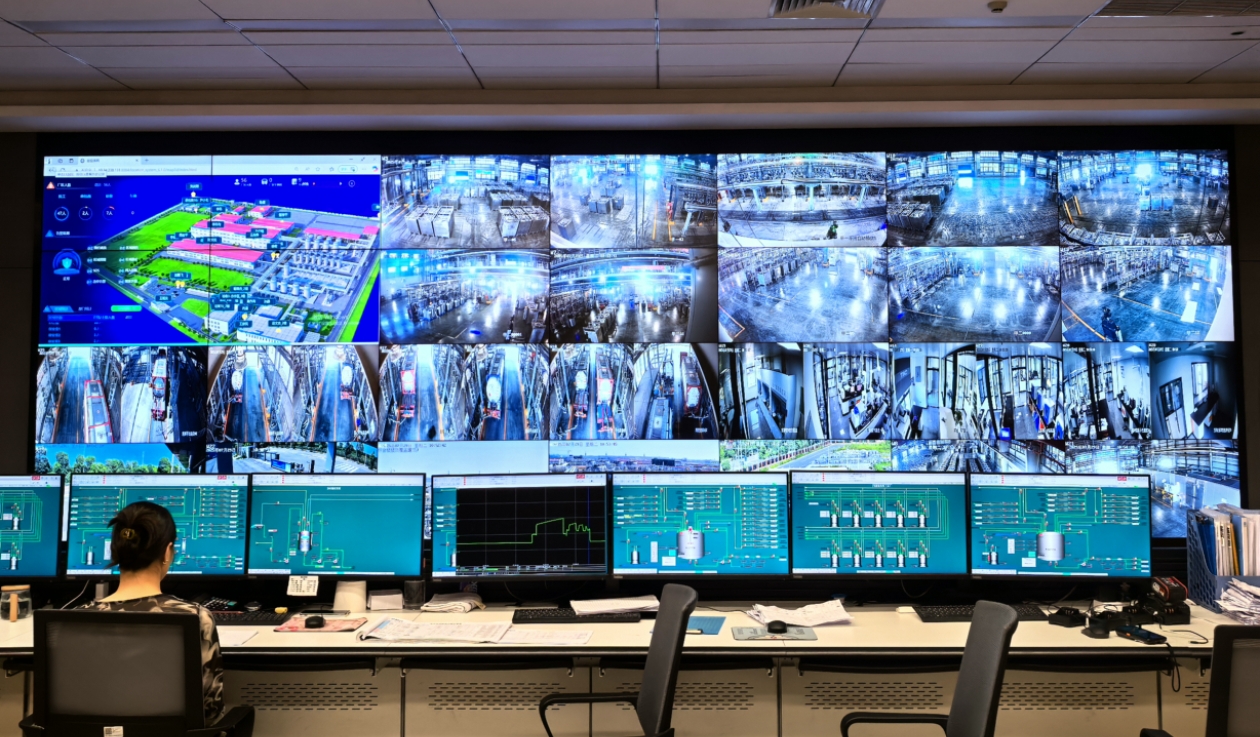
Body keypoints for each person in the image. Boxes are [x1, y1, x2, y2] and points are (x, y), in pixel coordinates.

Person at [82, 502, 225, 725]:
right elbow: (210, 712)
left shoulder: (76, 619)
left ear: (115, 550)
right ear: (167, 552)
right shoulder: (196, 618)